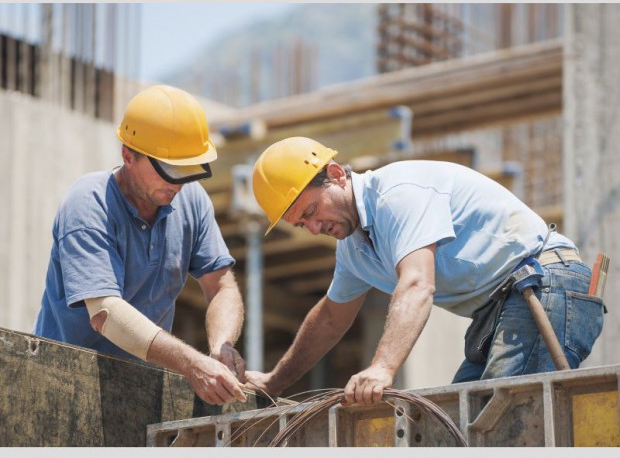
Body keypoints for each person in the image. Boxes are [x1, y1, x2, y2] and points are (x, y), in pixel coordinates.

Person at [245, 136, 605, 405]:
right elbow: (329, 319)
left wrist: (382, 368)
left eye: (311, 211)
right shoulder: (354, 250)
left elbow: (417, 284)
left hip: (546, 285)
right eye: (300, 224)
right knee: (458, 424)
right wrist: (275, 383)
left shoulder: (398, 194)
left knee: (500, 419)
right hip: (504, 308)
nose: (312, 228)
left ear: (337, 175)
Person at [33, 85, 247, 405]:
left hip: (141, 389)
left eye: (187, 169)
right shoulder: (89, 203)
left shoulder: (192, 200)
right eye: (168, 169)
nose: (177, 182)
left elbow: (221, 286)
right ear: (128, 156)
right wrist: (190, 363)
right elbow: (105, 313)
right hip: (63, 385)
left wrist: (221, 346)